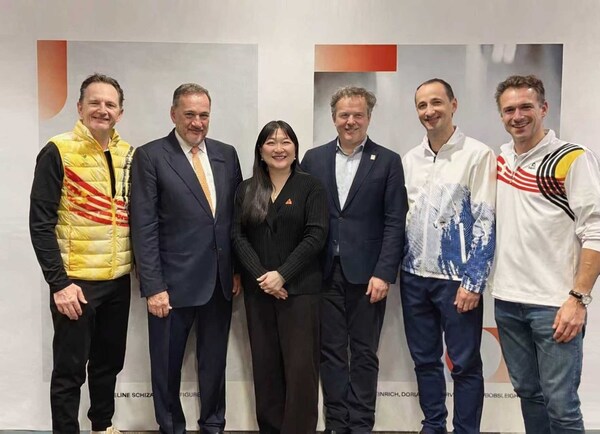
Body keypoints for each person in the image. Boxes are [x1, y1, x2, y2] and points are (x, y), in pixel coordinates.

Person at [489, 74, 600, 433]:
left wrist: (578, 299)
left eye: (526, 107)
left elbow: (596, 231)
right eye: (509, 110)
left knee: (561, 405)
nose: (517, 116)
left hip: (554, 306)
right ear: (501, 115)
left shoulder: (573, 158)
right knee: (529, 394)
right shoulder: (502, 159)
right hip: (507, 301)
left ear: (543, 108)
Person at [130, 83, 242, 434]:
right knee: (166, 367)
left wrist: (236, 270)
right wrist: (153, 286)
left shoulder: (226, 154)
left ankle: (213, 425)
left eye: (204, 115)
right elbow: (144, 226)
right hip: (171, 286)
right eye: (190, 114)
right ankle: (171, 428)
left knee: (214, 365)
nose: (197, 122)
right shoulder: (150, 156)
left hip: (220, 283)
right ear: (173, 114)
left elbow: (236, 219)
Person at [29, 73, 133, 434]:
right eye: (95, 102)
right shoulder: (57, 150)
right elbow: (40, 223)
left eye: (110, 104)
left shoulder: (128, 154)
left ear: (120, 112)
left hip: (118, 281)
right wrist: (59, 284)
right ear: (79, 107)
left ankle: (102, 426)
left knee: (108, 365)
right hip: (75, 283)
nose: (102, 110)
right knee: (69, 370)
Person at [302, 86, 407, 433]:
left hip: (368, 277)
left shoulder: (388, 161)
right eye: (344, 115)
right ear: (333, 118)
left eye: (358, 114)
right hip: (323, 274)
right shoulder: (313, 159)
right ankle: (336, 423)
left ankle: (361, 424)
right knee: (330, 353)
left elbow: (395, 221)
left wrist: (384, 272)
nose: (351, 121)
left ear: (369, 117)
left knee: (363, 354)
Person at [401, 78, 496, 434]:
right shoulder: (410, 159)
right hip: (414, 278)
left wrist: (474, 281)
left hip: (458, 281)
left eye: (436, 102)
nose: (429, 111)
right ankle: (433, 426)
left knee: (465, 364)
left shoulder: (478, 154)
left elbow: (486, 220)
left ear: (453, 105)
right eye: (422, 105)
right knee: (425, 361)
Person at [232, 120, 329, 433]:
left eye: (285, 141)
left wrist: (283, 275)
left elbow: (316, 236)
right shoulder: (247, 189)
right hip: (259, 292)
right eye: (271, 142)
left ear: (295, 149)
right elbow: (237, 236)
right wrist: (264, 277)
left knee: (301, 371)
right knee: (266, 367)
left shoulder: (311, 187)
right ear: (260, 151)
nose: (279, 148)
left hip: (300, 293)